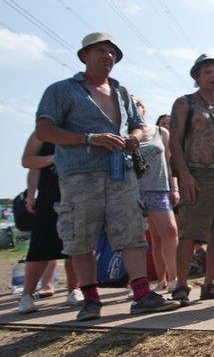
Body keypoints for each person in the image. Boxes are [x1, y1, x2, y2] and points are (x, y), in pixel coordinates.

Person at [34, 32, 180, 320]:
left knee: (132, 233)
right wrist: (90, 138)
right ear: (84, 56)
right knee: (80, 237)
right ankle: (90, 300)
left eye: (112, 52)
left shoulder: (121, 92)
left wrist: (134, 138)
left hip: (121, 174)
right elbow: (44, 131)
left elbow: (138, 125)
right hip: (80, 175)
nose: (107, 56)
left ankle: (141, 293)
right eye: (100, 51)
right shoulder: (61, 90)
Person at [169, 55, 214, 304]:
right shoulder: (185, 103)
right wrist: (184, 175)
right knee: (189, 232)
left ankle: (210, 283)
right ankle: (180, 285)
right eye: (207, 72)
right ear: (197, 76)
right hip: (198, 173)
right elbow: (174, 143)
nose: (213, 75)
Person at [18, 131, 82, 313]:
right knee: (40, 246)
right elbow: (28, 162)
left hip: (77, 194)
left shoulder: (79, 127)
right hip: (48, 196)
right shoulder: (42, 133)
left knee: (77, 245)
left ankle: (74, 290)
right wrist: (31, 194)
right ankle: (27, 295)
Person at [133, 98, 179, 292]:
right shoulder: (120, 132)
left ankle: (174, 279)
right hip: (132, 192)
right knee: (142, 239)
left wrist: (174, 187)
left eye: (139, 104)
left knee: (169, 231)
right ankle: (141, 281)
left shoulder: (161, 132)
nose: (136, 108)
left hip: (159, 189)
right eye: (131, 105)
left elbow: (170, 164)